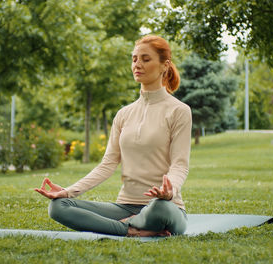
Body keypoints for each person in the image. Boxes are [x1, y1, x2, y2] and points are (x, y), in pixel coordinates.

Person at [35, 35, 192, 237]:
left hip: (165, 207)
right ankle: (130, 229)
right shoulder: (124, 114)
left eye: (145, 59)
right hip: (124, 208)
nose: (137, 64)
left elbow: (180, 165)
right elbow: (108, 164)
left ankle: (134, 224)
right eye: (134, 59)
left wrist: (169, 191)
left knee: (158, 209)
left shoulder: (179, 111)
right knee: (58, 206)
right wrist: (68, 192)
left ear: (164, 65)